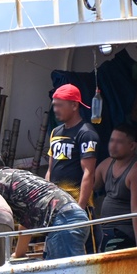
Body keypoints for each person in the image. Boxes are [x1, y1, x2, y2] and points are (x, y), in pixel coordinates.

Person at [0, 148, 89, 260]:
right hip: (75, 216)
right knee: (58, 273)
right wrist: (19, 254)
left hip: (62, 222)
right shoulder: (18, 175)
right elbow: (26, 222)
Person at [47, 84, 99, 250]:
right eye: (54, 105)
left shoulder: (86, 133)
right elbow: (50, 169)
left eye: (59, 105)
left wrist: (80, 209)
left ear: (74, 105)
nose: (55, 109)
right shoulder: (55, 132)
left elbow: (89, 173)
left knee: (84, 252)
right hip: (56, 205)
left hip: (77, 204)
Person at [94, 124, 137, 250]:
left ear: (132, 146)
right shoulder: (106, 164)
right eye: (111, 140)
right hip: (105, 231)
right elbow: (89, 187)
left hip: (125, 233)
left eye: (119, 142)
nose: (113, 146)